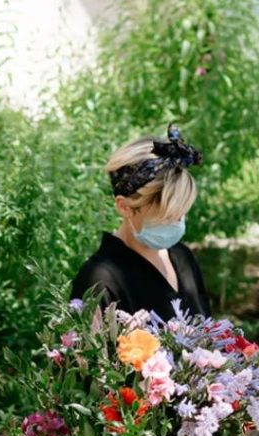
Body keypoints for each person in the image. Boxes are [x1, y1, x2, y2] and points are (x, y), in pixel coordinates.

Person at [71, 126, 210, 320]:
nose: (177, 223)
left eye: (182, 213)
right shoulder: (100, 282)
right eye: (167, 216)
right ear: (124, 207)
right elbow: (86, 350)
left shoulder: (183, 258)